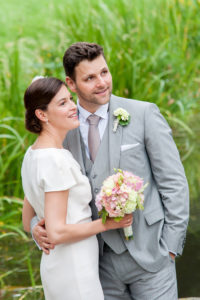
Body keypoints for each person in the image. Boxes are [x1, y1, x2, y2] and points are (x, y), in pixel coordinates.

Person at [31, 43, 189, 299]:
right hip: (95, 264)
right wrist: (34, 228)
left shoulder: (144, 113)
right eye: (90, 78)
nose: (102, 82)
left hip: (152, 258)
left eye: (104, 72)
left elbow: (174, 184)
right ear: (71, 84)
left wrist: (170, 247)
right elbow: (38, 186)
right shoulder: (60, 128)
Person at [21, 76, 133, 300]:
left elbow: (27, 220)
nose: (73, 107)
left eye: (70, 99)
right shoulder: (55, 161)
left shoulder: (33, 154)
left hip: (59, 263)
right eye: (62, 103)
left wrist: (36, 229)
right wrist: (108, 223)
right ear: (42, 115)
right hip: (74, 268)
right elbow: (57, 231)